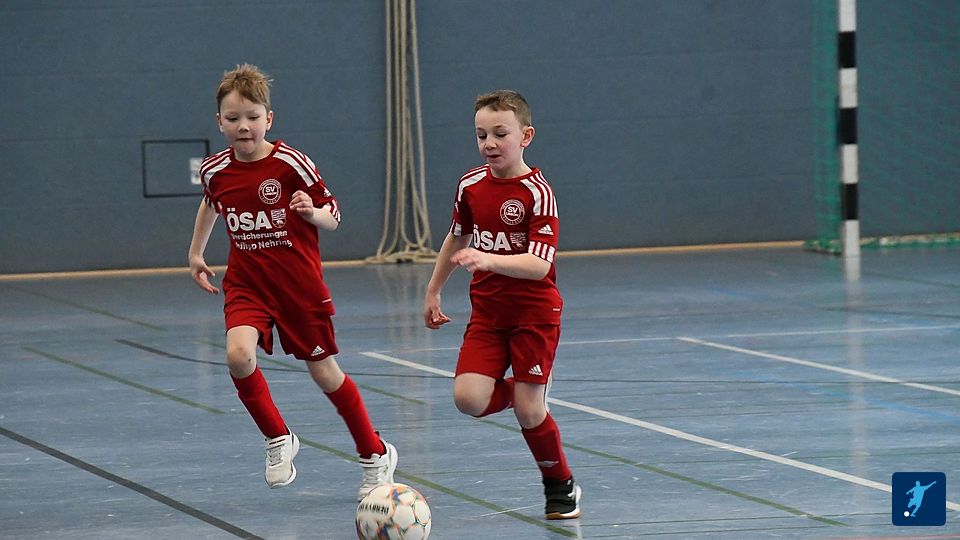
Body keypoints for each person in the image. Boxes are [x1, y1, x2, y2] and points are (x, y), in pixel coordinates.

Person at [187, 63, 397, 500]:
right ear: (219, 122)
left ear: (269, 118)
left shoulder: (290, 164)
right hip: (248, 285)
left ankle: (374, 454)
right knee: (238, 355)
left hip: (299, 288)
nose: (243, 126)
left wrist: (310, 212)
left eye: (252, 117)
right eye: (233, 118)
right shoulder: (215, 170)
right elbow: (211, 203)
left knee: (325, 374)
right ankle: (278, 436)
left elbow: (333, 216)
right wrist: (195, 253)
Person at [422, 89, 581, 520]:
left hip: (534, 315)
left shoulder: (537, 193)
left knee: (530, 412)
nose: (489, 143)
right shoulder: (470, 185)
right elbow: (456, 236)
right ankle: (528, 390)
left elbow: (538, 264)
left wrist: (489, 259)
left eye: (500, 134)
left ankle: (560, 484)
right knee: (469, 399)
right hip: (489, 316)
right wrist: (434, 289)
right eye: (481, 135)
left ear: (525, 136)